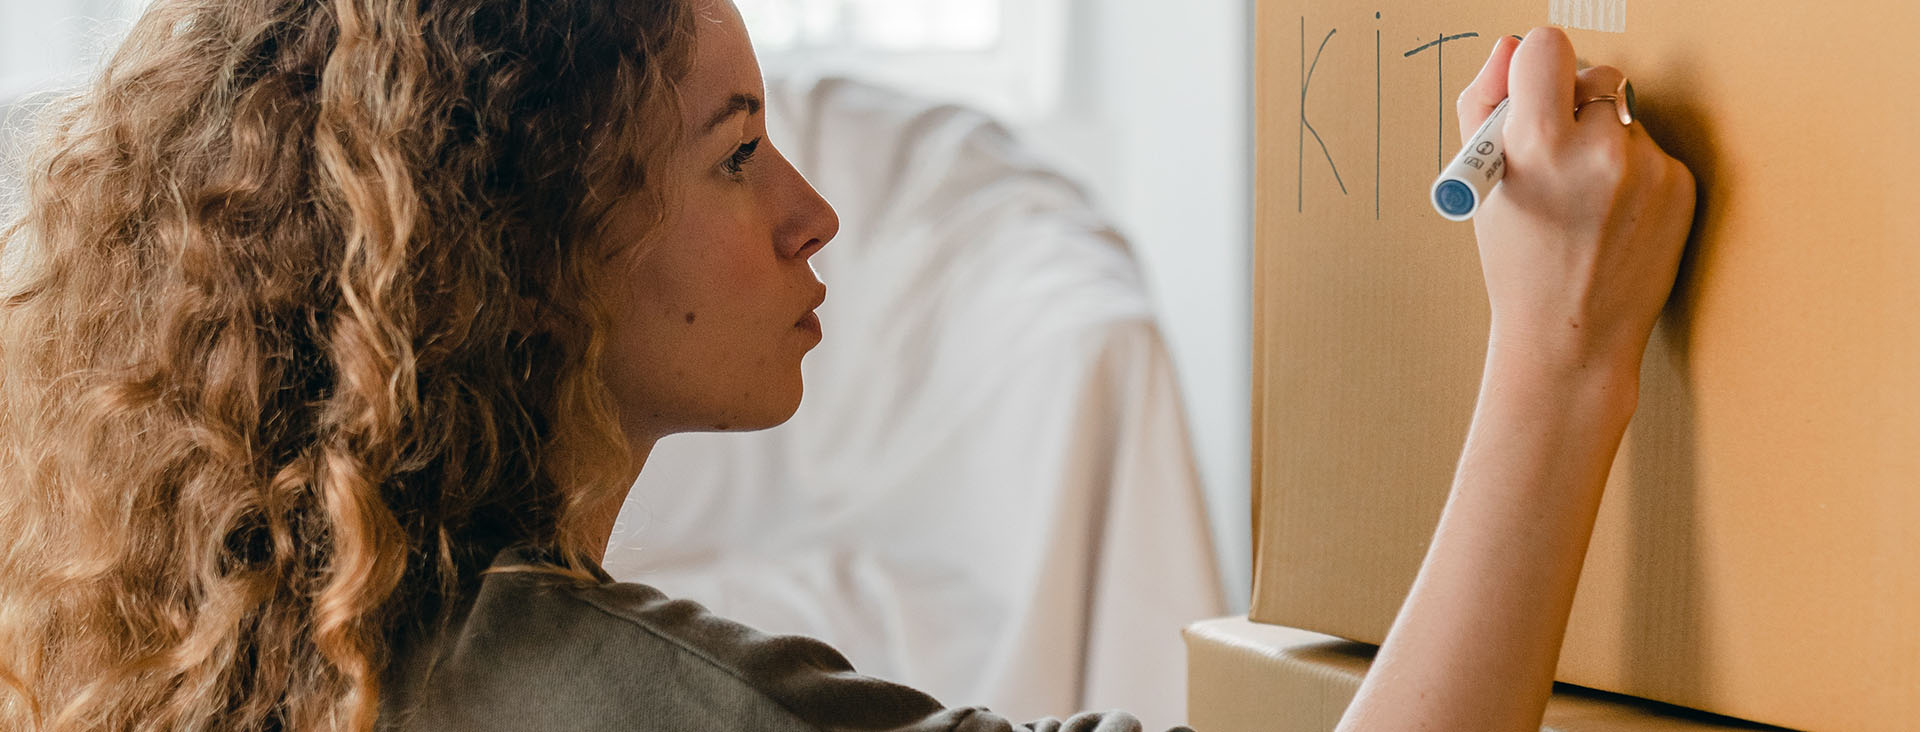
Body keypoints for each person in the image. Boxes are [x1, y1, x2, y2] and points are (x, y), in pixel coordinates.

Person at [0, 0, 1693, 730]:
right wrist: (1564, 349)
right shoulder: (561, 689)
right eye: (738, 155)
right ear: (518, 247)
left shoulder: (286, 629)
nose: (815, 214)